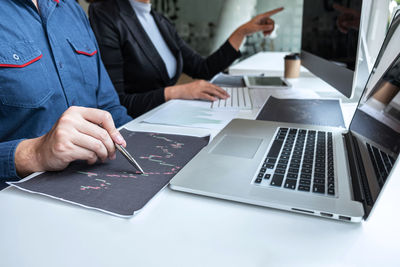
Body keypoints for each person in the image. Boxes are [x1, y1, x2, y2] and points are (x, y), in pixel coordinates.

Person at [0, 0, 133, 184]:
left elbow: (109, 107)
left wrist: (146, 145)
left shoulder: (72, 9)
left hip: (100, 180)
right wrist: (35, 154)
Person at [89, 0, 283, 117]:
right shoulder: (106, 15)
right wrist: (177, 92)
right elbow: (117, 103)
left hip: (168, 116)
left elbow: (202, 68)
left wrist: (242, 32)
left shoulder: (160, 20)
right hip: (137, 126)